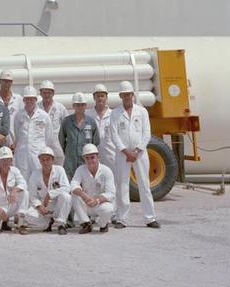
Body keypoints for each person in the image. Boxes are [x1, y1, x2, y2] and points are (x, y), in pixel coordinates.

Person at [109, 81, 159, 228]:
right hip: (122, 154)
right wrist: (126, 151)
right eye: (124, 95)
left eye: (129, 94)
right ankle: (121, 219)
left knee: (144, 184)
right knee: (122, 185)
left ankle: (150, 218)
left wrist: (137, 151)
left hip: (140, 154)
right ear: (120, 96)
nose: (127, 97)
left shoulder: (142, 112)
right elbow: (114, 135)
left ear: (133, 95)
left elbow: (146, 133)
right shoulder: (115, 113)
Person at [21, 147, 72, 234]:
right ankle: (48, 223)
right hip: (43, 206)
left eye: (48, 159)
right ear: (39, 161)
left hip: (57, 205)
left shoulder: (59, 170)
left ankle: (61, 224)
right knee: (26, 215)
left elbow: (67, 188)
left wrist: (50, 194)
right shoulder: (35, 174)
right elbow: (33, 196)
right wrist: (40, 206)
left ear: (52, 160)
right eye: (43, 160)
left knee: (66, 197)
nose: (45, 162)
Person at [11, 86, 54, 181]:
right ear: (23, 100)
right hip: (22, 152)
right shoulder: (19, 115)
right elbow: (17, 134)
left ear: (36, 99)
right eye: (27, 99)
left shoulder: (43, 116)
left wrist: (40, 147)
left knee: (39, 177)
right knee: (22, 177)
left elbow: (49, 137)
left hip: (39, 152)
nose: (29, 101)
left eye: (32, 99)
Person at [70, 144, 115, 233]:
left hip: (100, 204)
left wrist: (97, 200)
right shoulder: (80, 169)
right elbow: (73, 185)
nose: (90, 160)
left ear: (98, 157)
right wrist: (84, 195)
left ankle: (102, 224)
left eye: (92, 157)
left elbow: (111, 194)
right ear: (84, 159)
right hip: (86, 203)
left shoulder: (106, 171)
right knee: (74, 195)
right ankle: (86, 223)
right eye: (87, 158)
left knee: (109, 208)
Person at [0, 145, 27, 233]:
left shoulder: (15, 171)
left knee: (25, 193)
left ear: (11, 160)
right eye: (2, 160)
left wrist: (15, 190)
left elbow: (23, 184)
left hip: (12, 206)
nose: (5, 162)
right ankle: (1, 223)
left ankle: (20, 223)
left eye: (7, 159)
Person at [60, 92, 98, 179]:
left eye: (82, 105)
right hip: (71, 161)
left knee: (87, 182)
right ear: (73, 106)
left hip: (86, 160)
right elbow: (61, 139)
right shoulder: (67, 122)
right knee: (70, 182)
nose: (80, 107)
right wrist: (69, 151)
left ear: (85, 106)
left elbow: (95, 141)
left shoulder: (91, 122)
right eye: (77, 105)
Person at [38, 80, 67, 166]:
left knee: (59, 170)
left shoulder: (60, 108)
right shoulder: (37, 108)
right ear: (40, 93)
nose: (46, 95)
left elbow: (67, 127)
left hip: (58, 147)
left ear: (53, 93)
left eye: (49, 93)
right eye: (44, 92)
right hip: (41, 146)